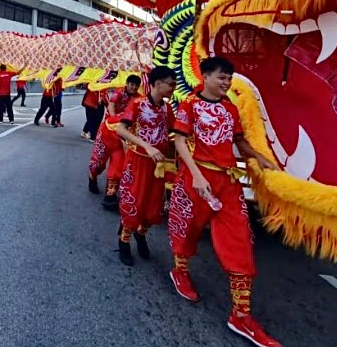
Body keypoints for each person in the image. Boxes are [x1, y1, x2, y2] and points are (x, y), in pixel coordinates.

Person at [168, 56, 281, 347]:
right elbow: (179, 140)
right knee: (188, 230)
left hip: (227, 184)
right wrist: (196, 175)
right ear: (205, 76)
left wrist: (258, 157)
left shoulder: (230, 108)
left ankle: (241, 315)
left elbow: (238, 141)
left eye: (229, 78)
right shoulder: (190, 105)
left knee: (239, 240)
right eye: (221, 77)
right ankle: (180, 271)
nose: (226, 83)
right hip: (196, 179)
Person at [115, 66, 177, 265]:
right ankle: (124, 240)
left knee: (154, 209)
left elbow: (174, 132)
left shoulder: (167, 109)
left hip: (158, 166)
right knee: (133, 203)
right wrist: (147, 146)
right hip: (138, 161)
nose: (174, 88)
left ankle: (140, 234)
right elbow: (121, 129)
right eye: (171, 84)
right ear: (158, 83)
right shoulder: (138, 104)